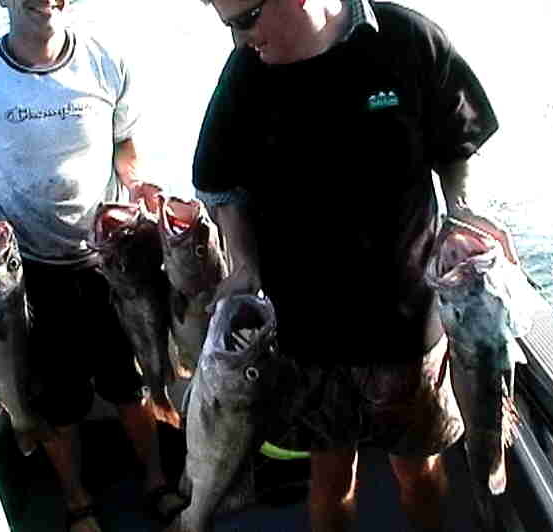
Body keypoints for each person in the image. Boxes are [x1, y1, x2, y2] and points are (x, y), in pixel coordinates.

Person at [192, 0, 517, 531]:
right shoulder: (246, 72)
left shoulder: (406, 38)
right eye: (228, 26)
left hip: (407, 321)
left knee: (418, 471)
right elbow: (218, 184)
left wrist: (461, 210)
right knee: (330, 476)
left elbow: (456, 140)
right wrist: (245, 264)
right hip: (307, 329)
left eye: (245, 19)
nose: (239, 39)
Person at [0, 1, 186, 531]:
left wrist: (138, 181)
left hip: (109, 260)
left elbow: (125, 143)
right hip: (24, 274)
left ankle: (157, 482)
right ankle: (78, 503)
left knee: (131, 382)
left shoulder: (107, 62)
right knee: (55, 398)